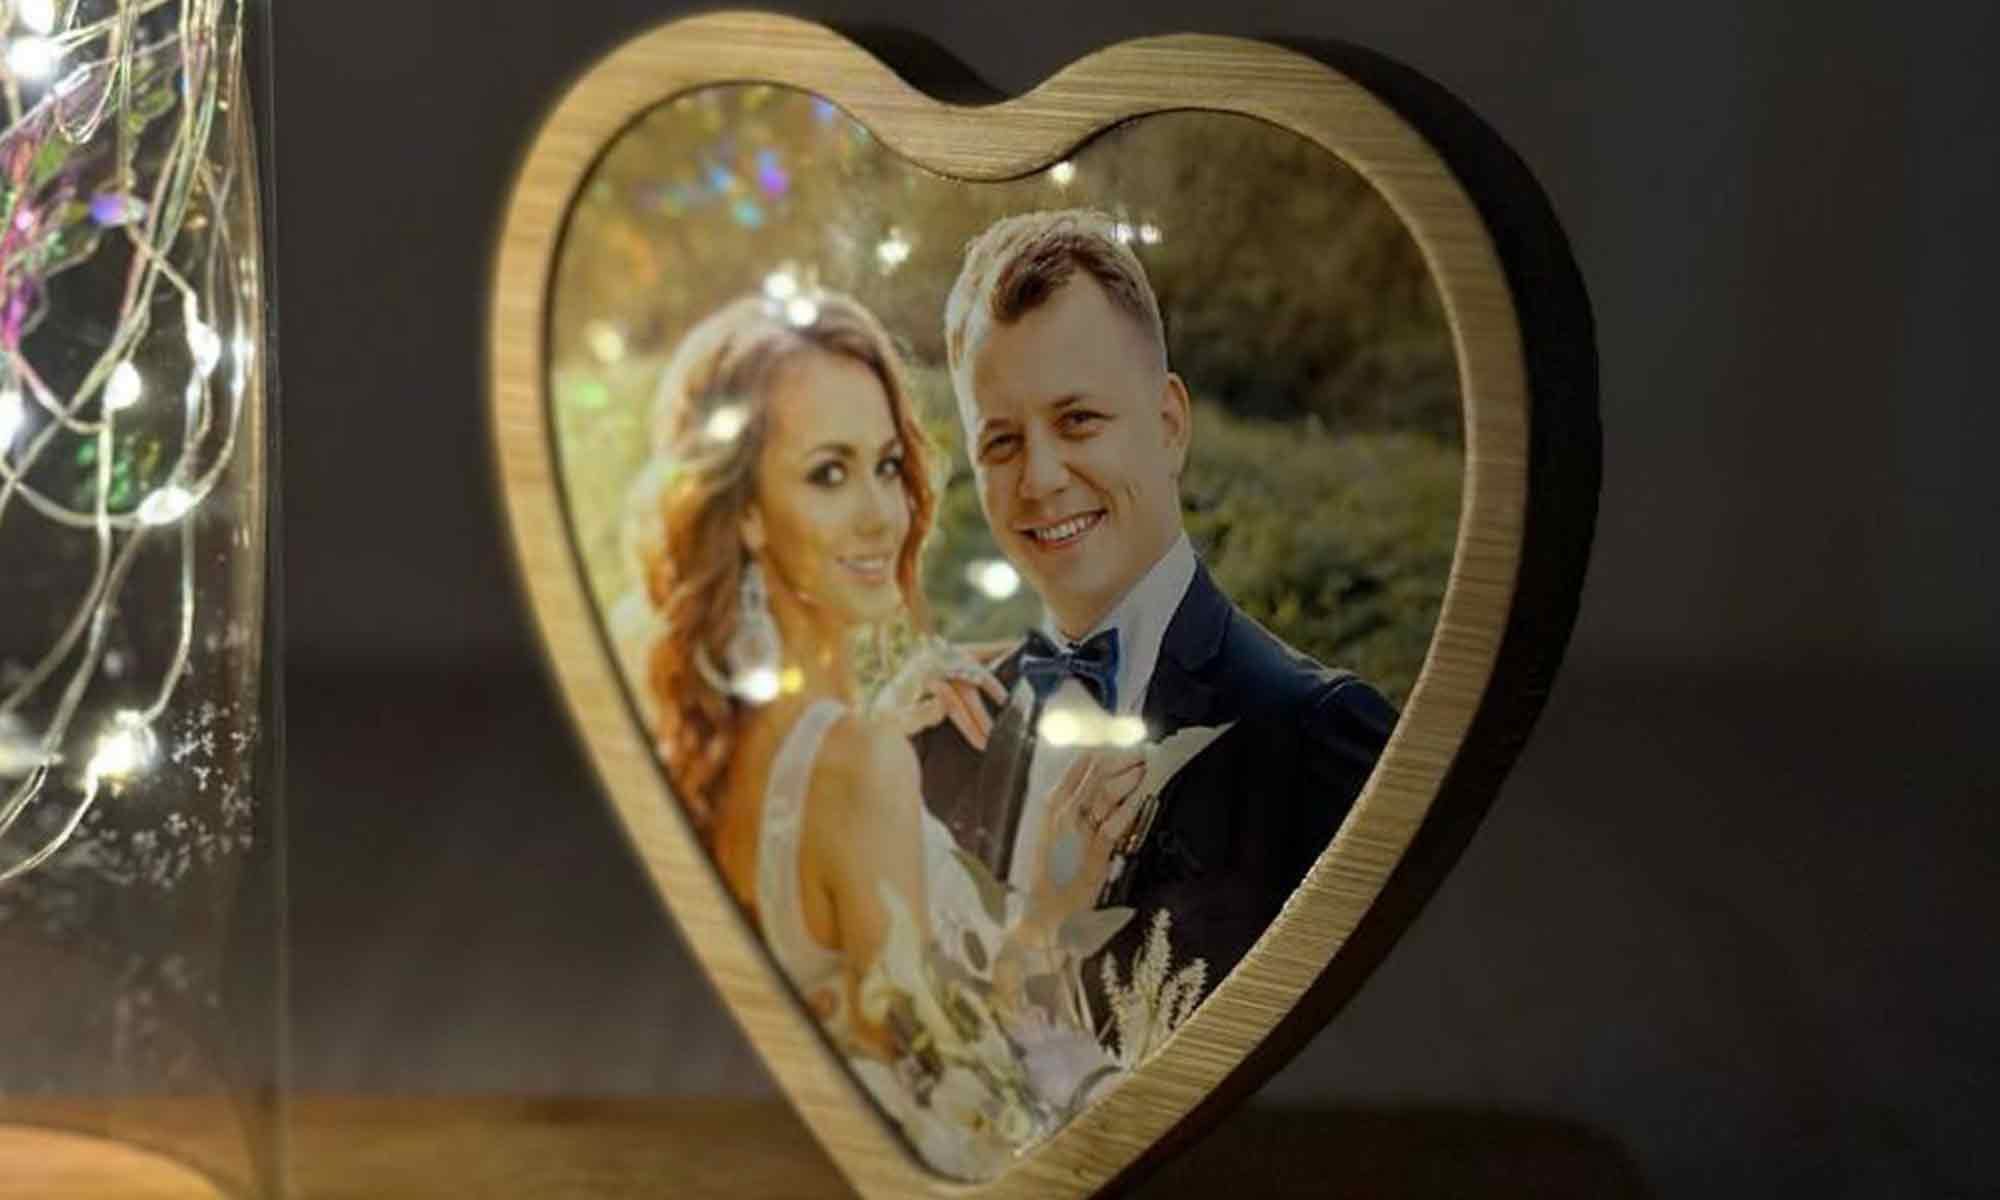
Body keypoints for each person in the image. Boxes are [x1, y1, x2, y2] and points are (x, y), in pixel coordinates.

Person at [622, 291, 1139, 1069]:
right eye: (829, 473)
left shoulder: (709, 735)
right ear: (747, 511)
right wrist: (1049, 910)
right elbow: (952, 1094)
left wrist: (871, 720)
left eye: (888, 465)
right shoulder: (863, 769)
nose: (882, 514)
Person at [917, 210, 1399, 1036]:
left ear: (1170, 425)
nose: (1040, 478)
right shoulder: (943, 733)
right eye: (1000, 442)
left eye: (1078, 420)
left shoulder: (1320, 738)